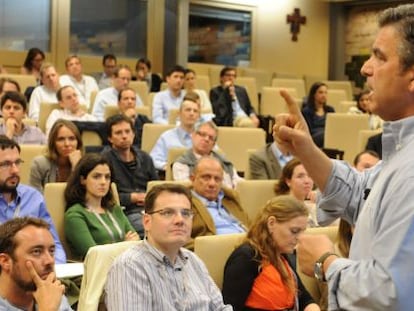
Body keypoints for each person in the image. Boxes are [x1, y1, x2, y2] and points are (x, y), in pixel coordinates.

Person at [273, 4, 414, 309]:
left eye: (379, 57)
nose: (366, 69)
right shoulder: (403, 152)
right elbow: (359, 193)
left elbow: (393, 293)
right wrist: (305, 148)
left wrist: (327, 263)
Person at [105, 183, 232, 310]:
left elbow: (220, 308)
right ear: (147, 222)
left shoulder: (193, 260)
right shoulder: (130, 267)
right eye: (168, 213)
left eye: (186, 213)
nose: (180, 220)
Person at [222, 195, 320, 311]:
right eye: (294, 231)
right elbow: (231, 308)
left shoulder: (281, 254)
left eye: (302, 232)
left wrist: (313, 307)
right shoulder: (245, 258)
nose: (299, 238)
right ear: (271, 223)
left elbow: (303, 298)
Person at [0, 136, 66, 263]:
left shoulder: (33, 198)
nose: (15, 170)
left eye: (17, 162)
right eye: (6, 164)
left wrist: (55, 269)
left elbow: (54, 244)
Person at [64, 154, 139, 259]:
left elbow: (136, 240)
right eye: (96, 177)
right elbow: (94, 255)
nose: (103, 182)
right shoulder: (75, 215)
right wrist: (125, 245)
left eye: (107, 177)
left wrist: (126, 246)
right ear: (83, 180)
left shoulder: (114, 209)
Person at [102, 114, 158, 237]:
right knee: (155, 230)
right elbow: (103, 196)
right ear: (110, 138)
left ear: (133, 134)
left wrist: (149, 197)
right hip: (124, 212)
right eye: (118, 133)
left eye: (127, 131)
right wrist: (132, 197)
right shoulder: (104, 161)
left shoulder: (145, 157)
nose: (124, 136)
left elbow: (157, 187)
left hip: (151, 208)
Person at [0, 217, 72, 311]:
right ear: (5, 261)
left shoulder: (50, 293)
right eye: (36, 252)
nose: (50, 260)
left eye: (51, 251)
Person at [188, 156, 249, 249]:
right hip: (217, 250)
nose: (212, 184)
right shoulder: (185, 202)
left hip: (248, 245)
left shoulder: (230, 199)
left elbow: (249, 225)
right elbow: (179, 240)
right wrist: (206, 247)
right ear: (192, 178)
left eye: (217, 179)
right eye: (206, 177)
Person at [173, 121, 243, 189]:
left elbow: (238, 182)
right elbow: (186, 189)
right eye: (202, 134)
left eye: (211, 138)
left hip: (228, 198)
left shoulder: (223, 161)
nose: (206, 139)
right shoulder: (182, 163)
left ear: (213, 144)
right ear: (193, 136)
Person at [150, 93, 201, 171]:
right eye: (188, 110)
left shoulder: (204, 137)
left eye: (195, 111)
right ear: (179, 114)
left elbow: (216, 158)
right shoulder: (166, 137)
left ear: (198, 116)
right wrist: (167, 167)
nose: (191, 113)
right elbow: (153, 159)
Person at [29, 120, 82, 193]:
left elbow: (82, 197)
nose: (67, 144)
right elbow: (34, 197)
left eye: (71, 138)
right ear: (53, 143)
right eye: (61, 139)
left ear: (78, 142)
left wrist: (76, 168)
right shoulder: (39, 164)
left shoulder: (86, 165)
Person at [274, 158, 317, 227]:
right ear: (288, 181)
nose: (307, 181)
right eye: (300, 176)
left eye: (310, 176)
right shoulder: (280, 209)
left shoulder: (312, 206)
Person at [301, 82, 335, 148]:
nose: (324, 95)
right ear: (314, 94)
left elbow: (333, 128)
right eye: (320, 92)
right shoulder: (307, 111)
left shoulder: (330, 110)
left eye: (325, 93)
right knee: (325, 134)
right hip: (313, 139)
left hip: (329, 137)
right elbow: (307, 131)